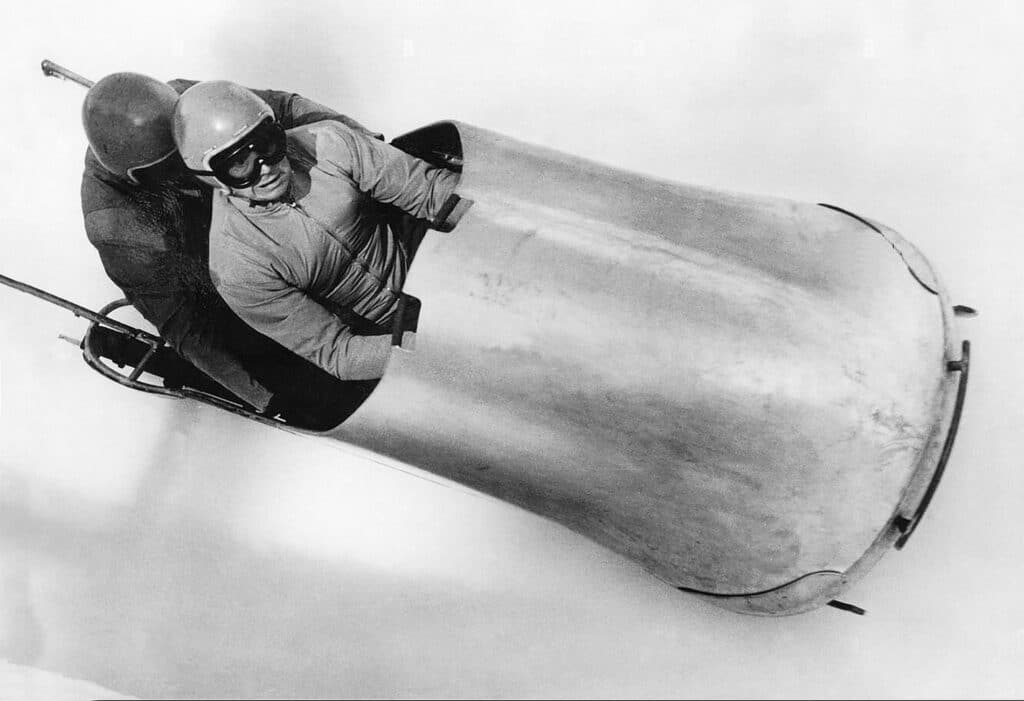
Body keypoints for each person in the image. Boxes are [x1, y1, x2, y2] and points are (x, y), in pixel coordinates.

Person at [81, 72, 382, 428]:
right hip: (221, 280)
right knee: (309, 388)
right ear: (136, 179)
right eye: (170, 166)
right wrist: (265, 399)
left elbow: (283, 108)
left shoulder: (191, 102)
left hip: (282, 225)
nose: (192, 167)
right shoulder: (114, 223)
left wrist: (368, 145)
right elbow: (185, 326)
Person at [171, 81, 469, 382]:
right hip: (397, 330)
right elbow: (339, 353)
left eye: (267, 144)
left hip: (444, 265)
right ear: (211, 178)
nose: (265, 168)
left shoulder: (328, 143)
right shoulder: (237, 265)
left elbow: (434, 193)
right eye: (239, 164)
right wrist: (433, 349)